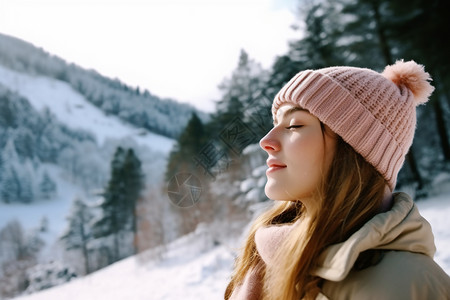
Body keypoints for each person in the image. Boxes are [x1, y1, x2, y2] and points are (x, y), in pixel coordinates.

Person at [225, 60, 450, 300]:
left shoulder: (406, 284)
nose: (266, 141)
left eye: (294, 125)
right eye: (275, 123)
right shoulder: (263, 259)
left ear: (354, 150)